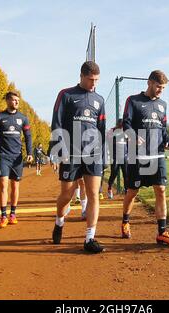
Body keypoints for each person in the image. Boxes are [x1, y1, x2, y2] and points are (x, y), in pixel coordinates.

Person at [50, 61, 106, 253]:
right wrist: (57, 150)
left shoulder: (99, 99)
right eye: (91, 80)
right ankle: (59, 221)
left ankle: (90, 238)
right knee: (66, 195)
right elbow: (56, 122)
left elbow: (101, 129)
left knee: (93, 195)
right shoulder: (66, 95)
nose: (94, 84)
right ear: (81, 76)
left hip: (93, 154)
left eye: (97, 80)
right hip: (70, 153)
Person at [121, 70, 169, 246]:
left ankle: (162, 232)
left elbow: (164, 128)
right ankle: (125, 221)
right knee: (132, 192)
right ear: (149, 83)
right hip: (137, 155)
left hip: (157, 154)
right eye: (159, 86)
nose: (161, 90)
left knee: (160, 189)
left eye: (163, 88)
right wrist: (131, 135)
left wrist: (168, 141)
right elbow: (126, 123)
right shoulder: (133, 100)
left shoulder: (163, 105)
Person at [0, 91, 33, 228]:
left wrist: (29, 153)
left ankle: (13, 214)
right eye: (13, 100)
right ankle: (3, 216)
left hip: (17, 157)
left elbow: (28, 136)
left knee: (15, 185)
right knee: (3, 185)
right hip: (3, 156)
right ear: (7, 101)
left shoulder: (23, 118)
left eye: (18, 100)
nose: (16, 102)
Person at [107, 119, 128, 199]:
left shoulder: (126, 131)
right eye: (120, 124)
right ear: (117, 124)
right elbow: (109, 140)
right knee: (113, 174)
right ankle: (109, 189)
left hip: (124, 156)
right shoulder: (111, 131)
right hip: (115, 156)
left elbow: (129, 141)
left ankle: (126, 190)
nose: (121, 126)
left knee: (126, 174)